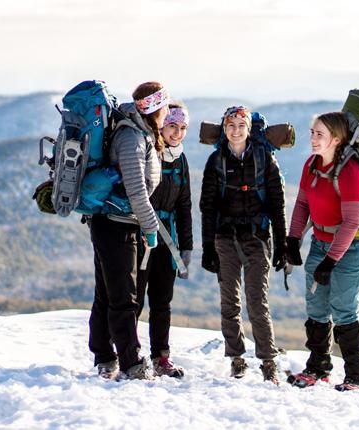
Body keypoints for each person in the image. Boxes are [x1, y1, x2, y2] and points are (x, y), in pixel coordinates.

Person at [285, 111, 359, 391]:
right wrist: (292, 239)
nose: (312, 138)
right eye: (312, 132)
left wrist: (331, 261)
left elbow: (350, 222)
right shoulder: (311, 165)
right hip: (320, 243)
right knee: (316, 308)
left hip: (352, 249)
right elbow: (301, 205)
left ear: (336, 139)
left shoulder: (350, 172)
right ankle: (318, 366)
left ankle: (356, 375)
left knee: (345, 310)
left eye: (319, 134)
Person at [199, 106, 287, 384]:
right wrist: (208, 247)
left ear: (249, 129)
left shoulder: (265, 159)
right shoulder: (216, 161)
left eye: (241, 125)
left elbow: (277, 204)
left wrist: (282, 245)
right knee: (229, 301)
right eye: (230, 125)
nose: (235, 131)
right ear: (224, 129)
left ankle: (267, 360)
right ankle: (236, 358)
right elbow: (208, 207)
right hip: (224, 236)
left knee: (257, 301)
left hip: (257, 236)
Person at [88, 81, 168, 380]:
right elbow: (137, 190)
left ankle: (104, 354)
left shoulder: (136, 132)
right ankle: (131, 360)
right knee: (123, 296)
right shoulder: (131, 137)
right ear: (156, 109)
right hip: (118, 225)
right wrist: (150, 229)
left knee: (109, 293)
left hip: (112, 222)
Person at [136, 102, 193, 378]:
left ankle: (161, 357)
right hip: (143, 235)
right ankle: (129, 354)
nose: (177, 133)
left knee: (162, 301)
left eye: (182, 128)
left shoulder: (181, 160)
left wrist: (187, 247)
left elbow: (185, 205)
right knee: (134, 299)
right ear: (162, 125)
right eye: (172, 126)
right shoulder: (150, 152)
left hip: (168, 241)